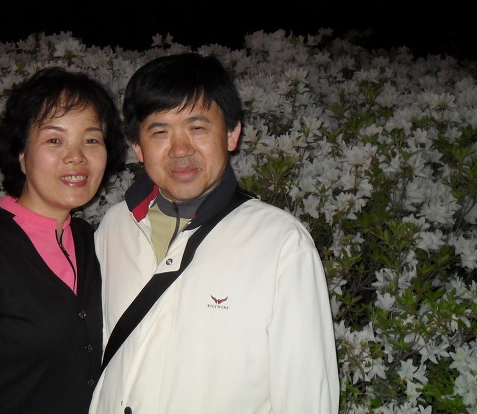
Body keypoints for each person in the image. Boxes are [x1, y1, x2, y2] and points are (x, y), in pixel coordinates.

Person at [90, 53, 339, 413]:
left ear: (232, 134)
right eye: (160, 132)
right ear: (138, 147)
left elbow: (307, 397)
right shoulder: (115, 227)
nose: (180, 149)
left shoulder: (280, 243)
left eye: (198, 128)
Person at [0, 67, 124, 413]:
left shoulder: (91, 241)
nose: (76, 156)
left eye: (91, 140)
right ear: (21, 155)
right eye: (54, 140)